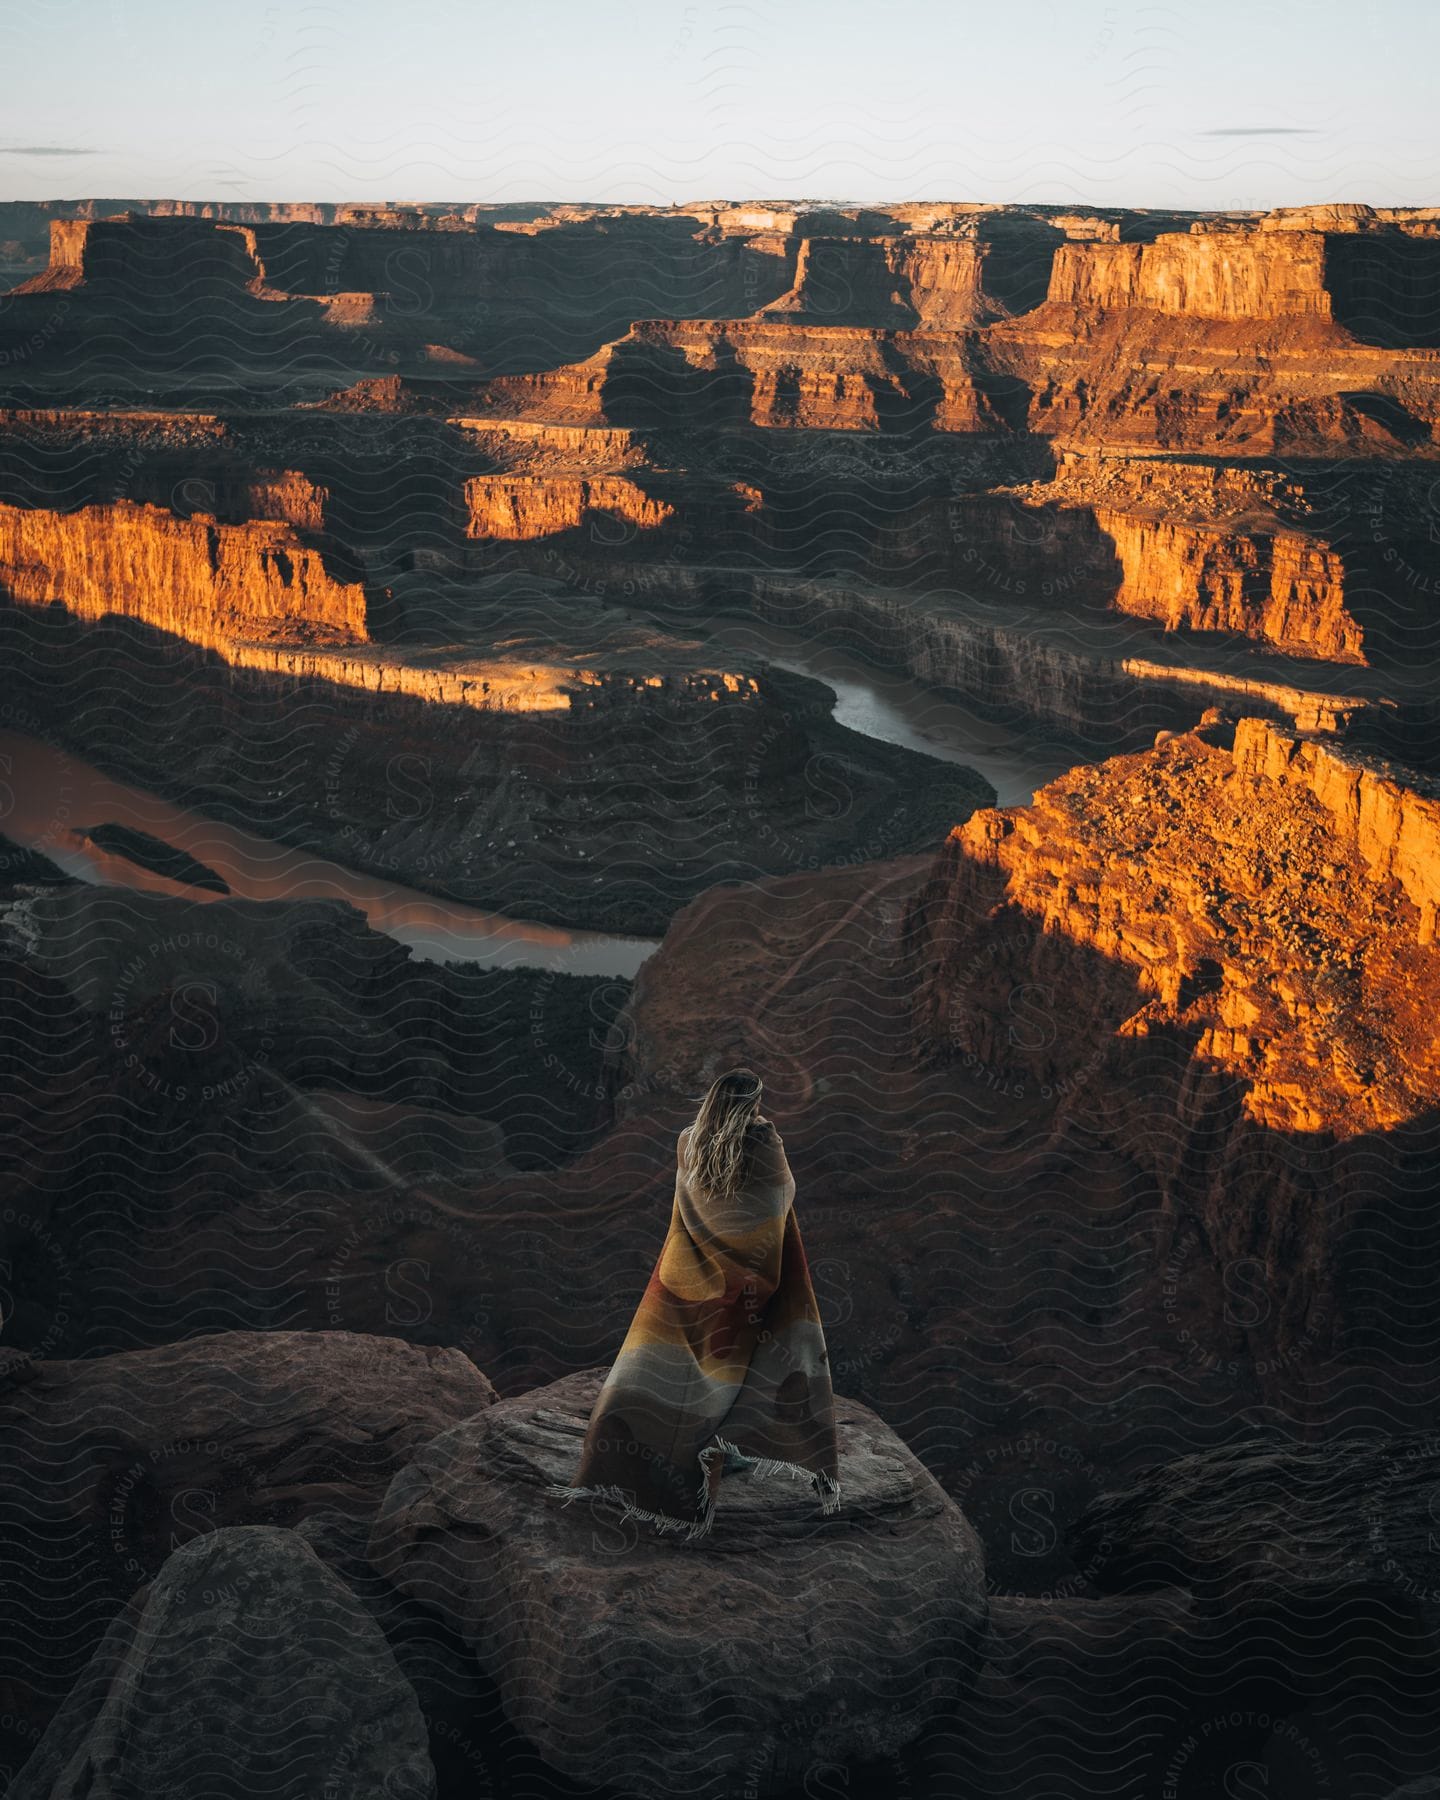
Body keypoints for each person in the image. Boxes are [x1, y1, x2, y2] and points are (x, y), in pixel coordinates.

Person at [549, 1067, 840, 1540]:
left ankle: (678, 1445)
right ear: (754, 1102)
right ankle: (722, 1444)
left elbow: (687, 1201)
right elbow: (779, 1198)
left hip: (685, 1272)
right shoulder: (764, 1142)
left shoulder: (689, 1139)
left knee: (689, 1364)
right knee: (744, 1360)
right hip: (747, 1278)